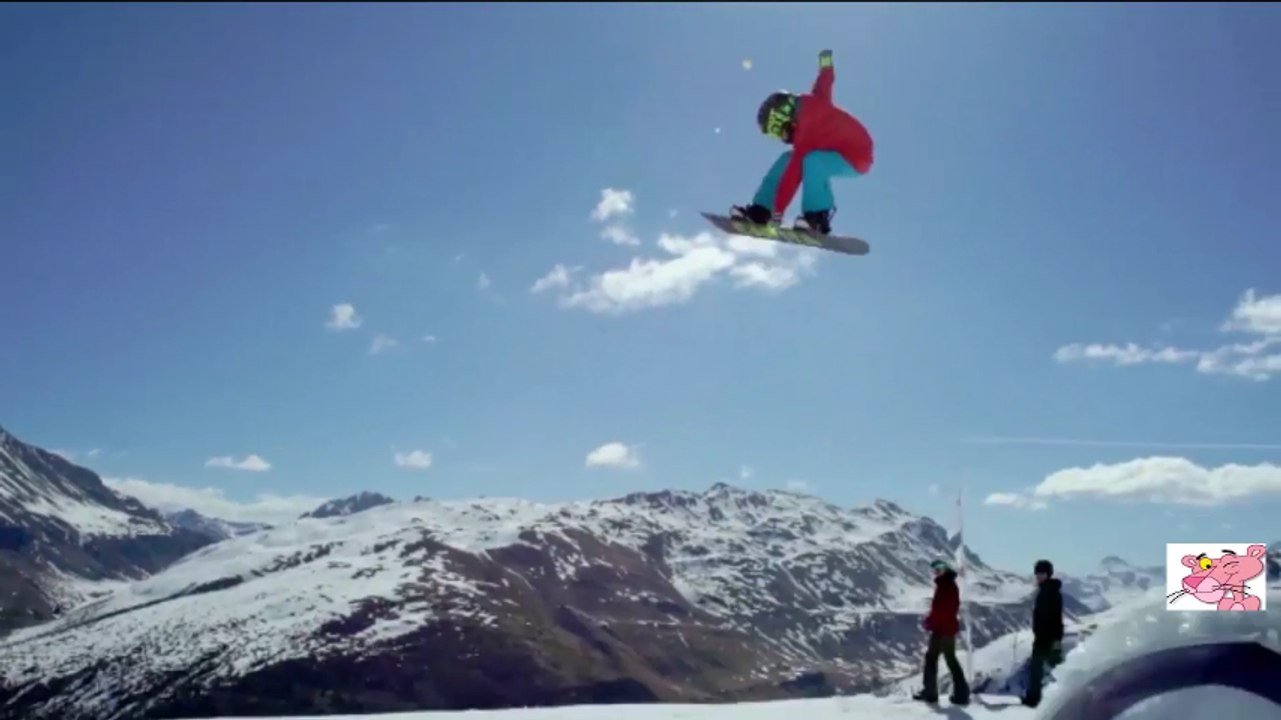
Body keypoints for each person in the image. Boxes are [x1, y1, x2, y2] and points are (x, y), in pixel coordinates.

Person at [730, 48, 875, 236]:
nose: (784, 139)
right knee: (788, 158)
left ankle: (817, 217)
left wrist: (779, 212)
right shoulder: (814, 102)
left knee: (811, 161)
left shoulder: (806, 133)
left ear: (785, 120)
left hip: (856, 155)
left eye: (780, 133)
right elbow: (825, 81)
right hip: (837, 149)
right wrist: (826, 62)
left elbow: (792, 176)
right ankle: (760, 210)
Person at [914, 559, 970, 705]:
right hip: (947, 628)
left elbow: (942, 610)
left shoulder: (946, 586)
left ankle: (930, 693)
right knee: (950, 659)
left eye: (939, 568)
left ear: (946, 569)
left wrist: (930, 621)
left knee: (932, 658)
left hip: (941, 629)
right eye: (935, 569)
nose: (937, 571)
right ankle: (961, 694)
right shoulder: (947, 585)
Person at [1022, 558, 1065, 707]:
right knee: (1044, 668)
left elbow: (1056, 617)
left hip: (1048, 637)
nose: (1039, 576)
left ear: (1048, 574)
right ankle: (1035, 698)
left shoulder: (1051, 592)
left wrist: (1057, 640)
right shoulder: (1046, 590)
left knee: (1047, 668)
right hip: (1042, 637)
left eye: (1042, 573)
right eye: (1037, 574)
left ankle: (1036, 698)